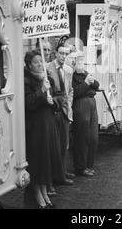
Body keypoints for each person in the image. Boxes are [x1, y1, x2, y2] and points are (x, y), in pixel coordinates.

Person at [24, 50, 62, 208]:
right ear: (29, 65)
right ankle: (37, 193)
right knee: (38, 160)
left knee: (47, 159)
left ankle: (45, 190)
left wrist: (52, 101)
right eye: (35, 62)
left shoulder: (48, 79)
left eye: (41, 61)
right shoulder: (26, 81)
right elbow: (29, 103)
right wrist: (41, 92)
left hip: (48, 124)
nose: (40, 64)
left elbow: (58, 99)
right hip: (36, 127)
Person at [46, 43, 75, 190]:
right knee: (53, 146)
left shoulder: (69, 70)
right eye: (61, 53)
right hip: (52, 112)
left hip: (64, 111)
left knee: (64, 144)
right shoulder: (47, 69)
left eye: (66, 54)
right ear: (55, 53)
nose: (64, 56)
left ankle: (62, 173)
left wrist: (68, 104)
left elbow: (70, 90)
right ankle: (52, 177)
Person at [72, 52, 100, 177]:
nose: (81, 63)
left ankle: (89, 164)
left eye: (82, 61)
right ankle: (81, 166)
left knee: (93, 136)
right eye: (78, 61)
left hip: (91, 104)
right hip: (81, 105)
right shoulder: (71, 75)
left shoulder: (86, 73)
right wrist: (87, 85)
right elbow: (75, 92)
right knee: (82, 136)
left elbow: (97, 85)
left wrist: (91, 83)